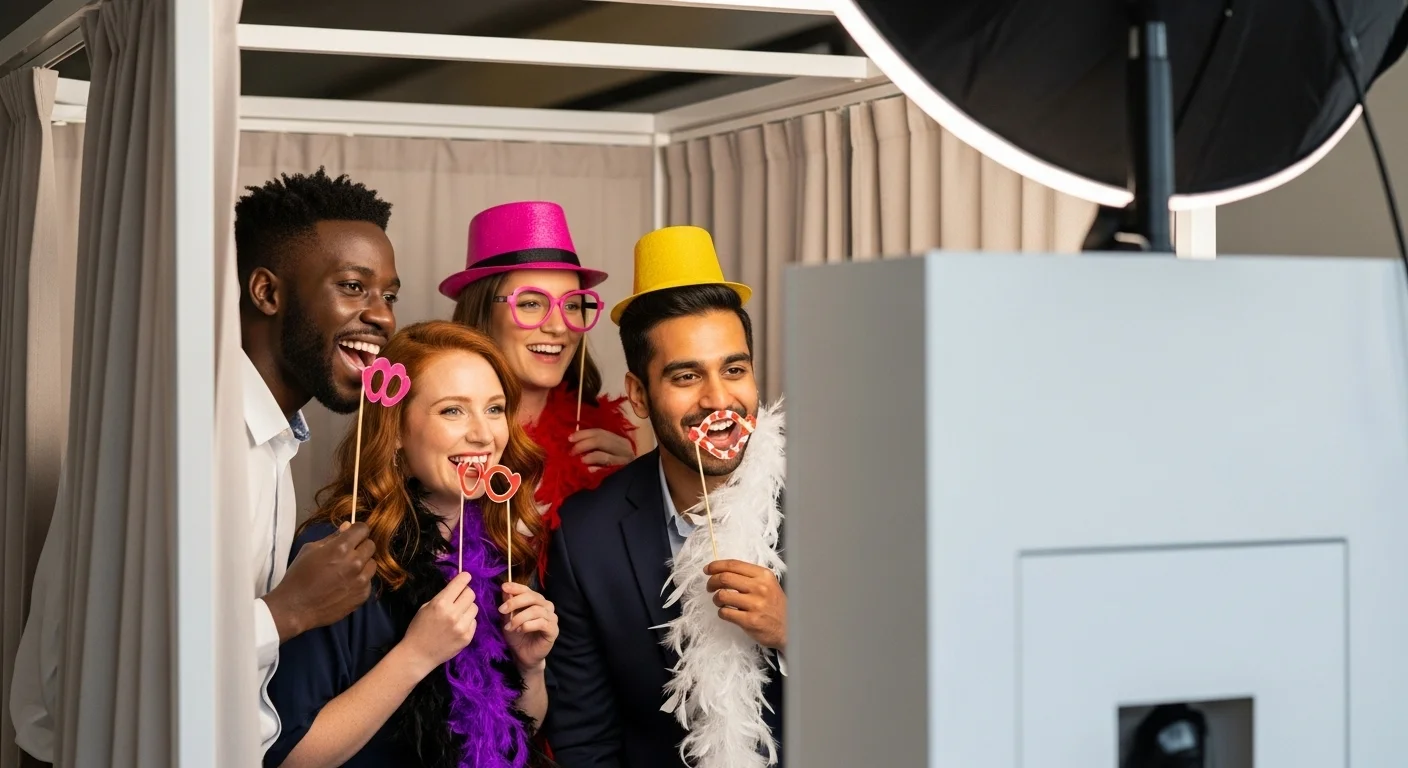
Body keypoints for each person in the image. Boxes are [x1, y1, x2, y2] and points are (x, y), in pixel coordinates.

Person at [8, 168, 400, 761]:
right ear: (267, 292)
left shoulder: (271, 442)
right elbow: (97, 673)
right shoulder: (180, 438)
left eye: (388, 295)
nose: (383, 317)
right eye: (354, 287)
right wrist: (289, 610)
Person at [541, 226, 788, 768]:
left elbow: (909, 681)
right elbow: (587, 740)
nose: (719, 399)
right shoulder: (587, 536)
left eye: (735, 370)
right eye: (685, 376)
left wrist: (797, 632)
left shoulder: (837, 500)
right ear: (637, 395)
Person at [264, 321, 559, 768]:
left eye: (495, 409)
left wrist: (530, 668)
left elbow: (515, 736)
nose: (483, 434)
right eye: (452, 411)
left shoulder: (504, 551)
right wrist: (416, 655)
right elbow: (288, 757)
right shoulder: (339, 555)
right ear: (397, 430)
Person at [439, 201, 637, 581]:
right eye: (531, 304)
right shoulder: (438, 437)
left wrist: (632, 492)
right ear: (482, 311)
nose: (559, 327)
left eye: (573, 306)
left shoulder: (611, 440)